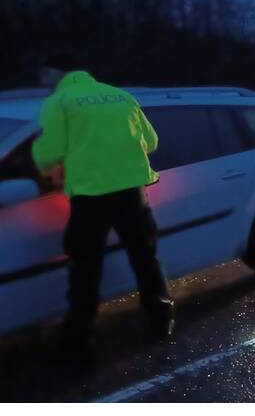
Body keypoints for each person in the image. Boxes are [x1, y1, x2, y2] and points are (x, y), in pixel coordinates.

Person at [32, 55, 174, 350]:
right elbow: (151, 141)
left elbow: (48, 154)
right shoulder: (121, 96)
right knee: (145, 258)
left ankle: (78, 335)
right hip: (132, 195)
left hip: (91, 197)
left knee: (85, 267)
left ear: (58, 76)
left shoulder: (60, 102)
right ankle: (162, 318)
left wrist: (47, 169)